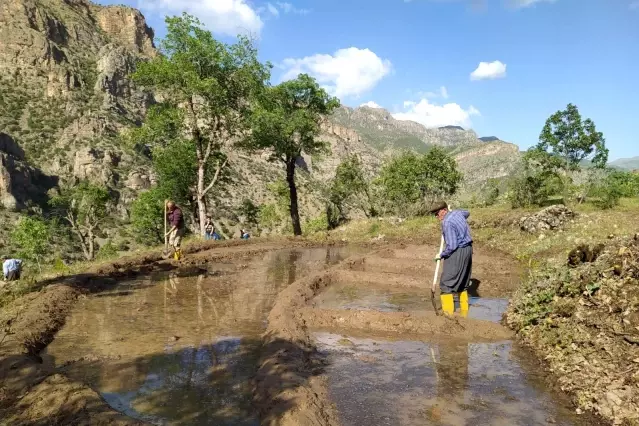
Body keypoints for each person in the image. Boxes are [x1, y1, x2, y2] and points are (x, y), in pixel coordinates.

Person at [430, 201, 473, 316]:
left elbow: (452, 245)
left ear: (443, 210)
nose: (436, 216)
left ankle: (448, 315)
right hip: (468, 250)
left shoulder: (447, 222)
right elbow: (467, 213)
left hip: (457, 251)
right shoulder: (458, 213)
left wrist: (441, 255)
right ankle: (464, 313)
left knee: (446, 284)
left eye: (437, 213)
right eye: (434, 214)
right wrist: (452, 211)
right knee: (463, 282)